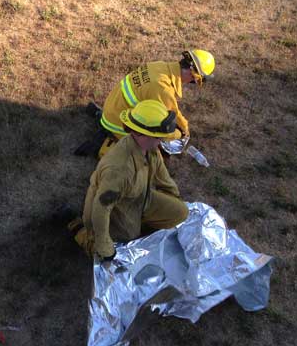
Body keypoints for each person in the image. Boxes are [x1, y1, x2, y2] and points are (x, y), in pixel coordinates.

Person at [70, 100, 189, 259]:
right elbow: (101, 208)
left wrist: (174, 197)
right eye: (159, 136)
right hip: (116, 210)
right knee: (120, 247)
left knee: (180, 212)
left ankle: (139, 224)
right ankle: (78, 228)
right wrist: (104, 247)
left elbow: (162, 177)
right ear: (144, 134)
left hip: (140, 198)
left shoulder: (149, 148)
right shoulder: (119, 170)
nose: (163, 139)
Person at [75, 49, 215, 158]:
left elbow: (171, 108)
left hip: (112, 108)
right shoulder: (162, 88)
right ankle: (103, 147)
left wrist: (184, 125)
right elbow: (168, 118)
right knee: (149, 154)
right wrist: (181, 133)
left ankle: (102, 120)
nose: (195, 83)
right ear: (193, 75)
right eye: (198, 80)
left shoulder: (160, 67)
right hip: (118, 123)